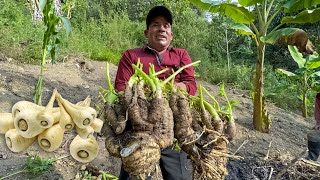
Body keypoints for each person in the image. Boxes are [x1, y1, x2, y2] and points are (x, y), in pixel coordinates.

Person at [114, 5, 196, 180]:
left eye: (166, 26)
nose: (162, 29)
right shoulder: (131, 56)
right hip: (139, 128)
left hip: (172, 128)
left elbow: (191, 86)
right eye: (156, 25)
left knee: (178, 176)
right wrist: (143, 94)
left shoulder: (181, 55)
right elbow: (121, 86)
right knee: (134, 172)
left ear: (171, 34)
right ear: (146, 32)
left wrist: (178, 88)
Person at [306, 93, 320, 161]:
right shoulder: (319, 97)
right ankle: (312, 157)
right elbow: (318, 112)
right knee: (313, 134)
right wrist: (318, 123)